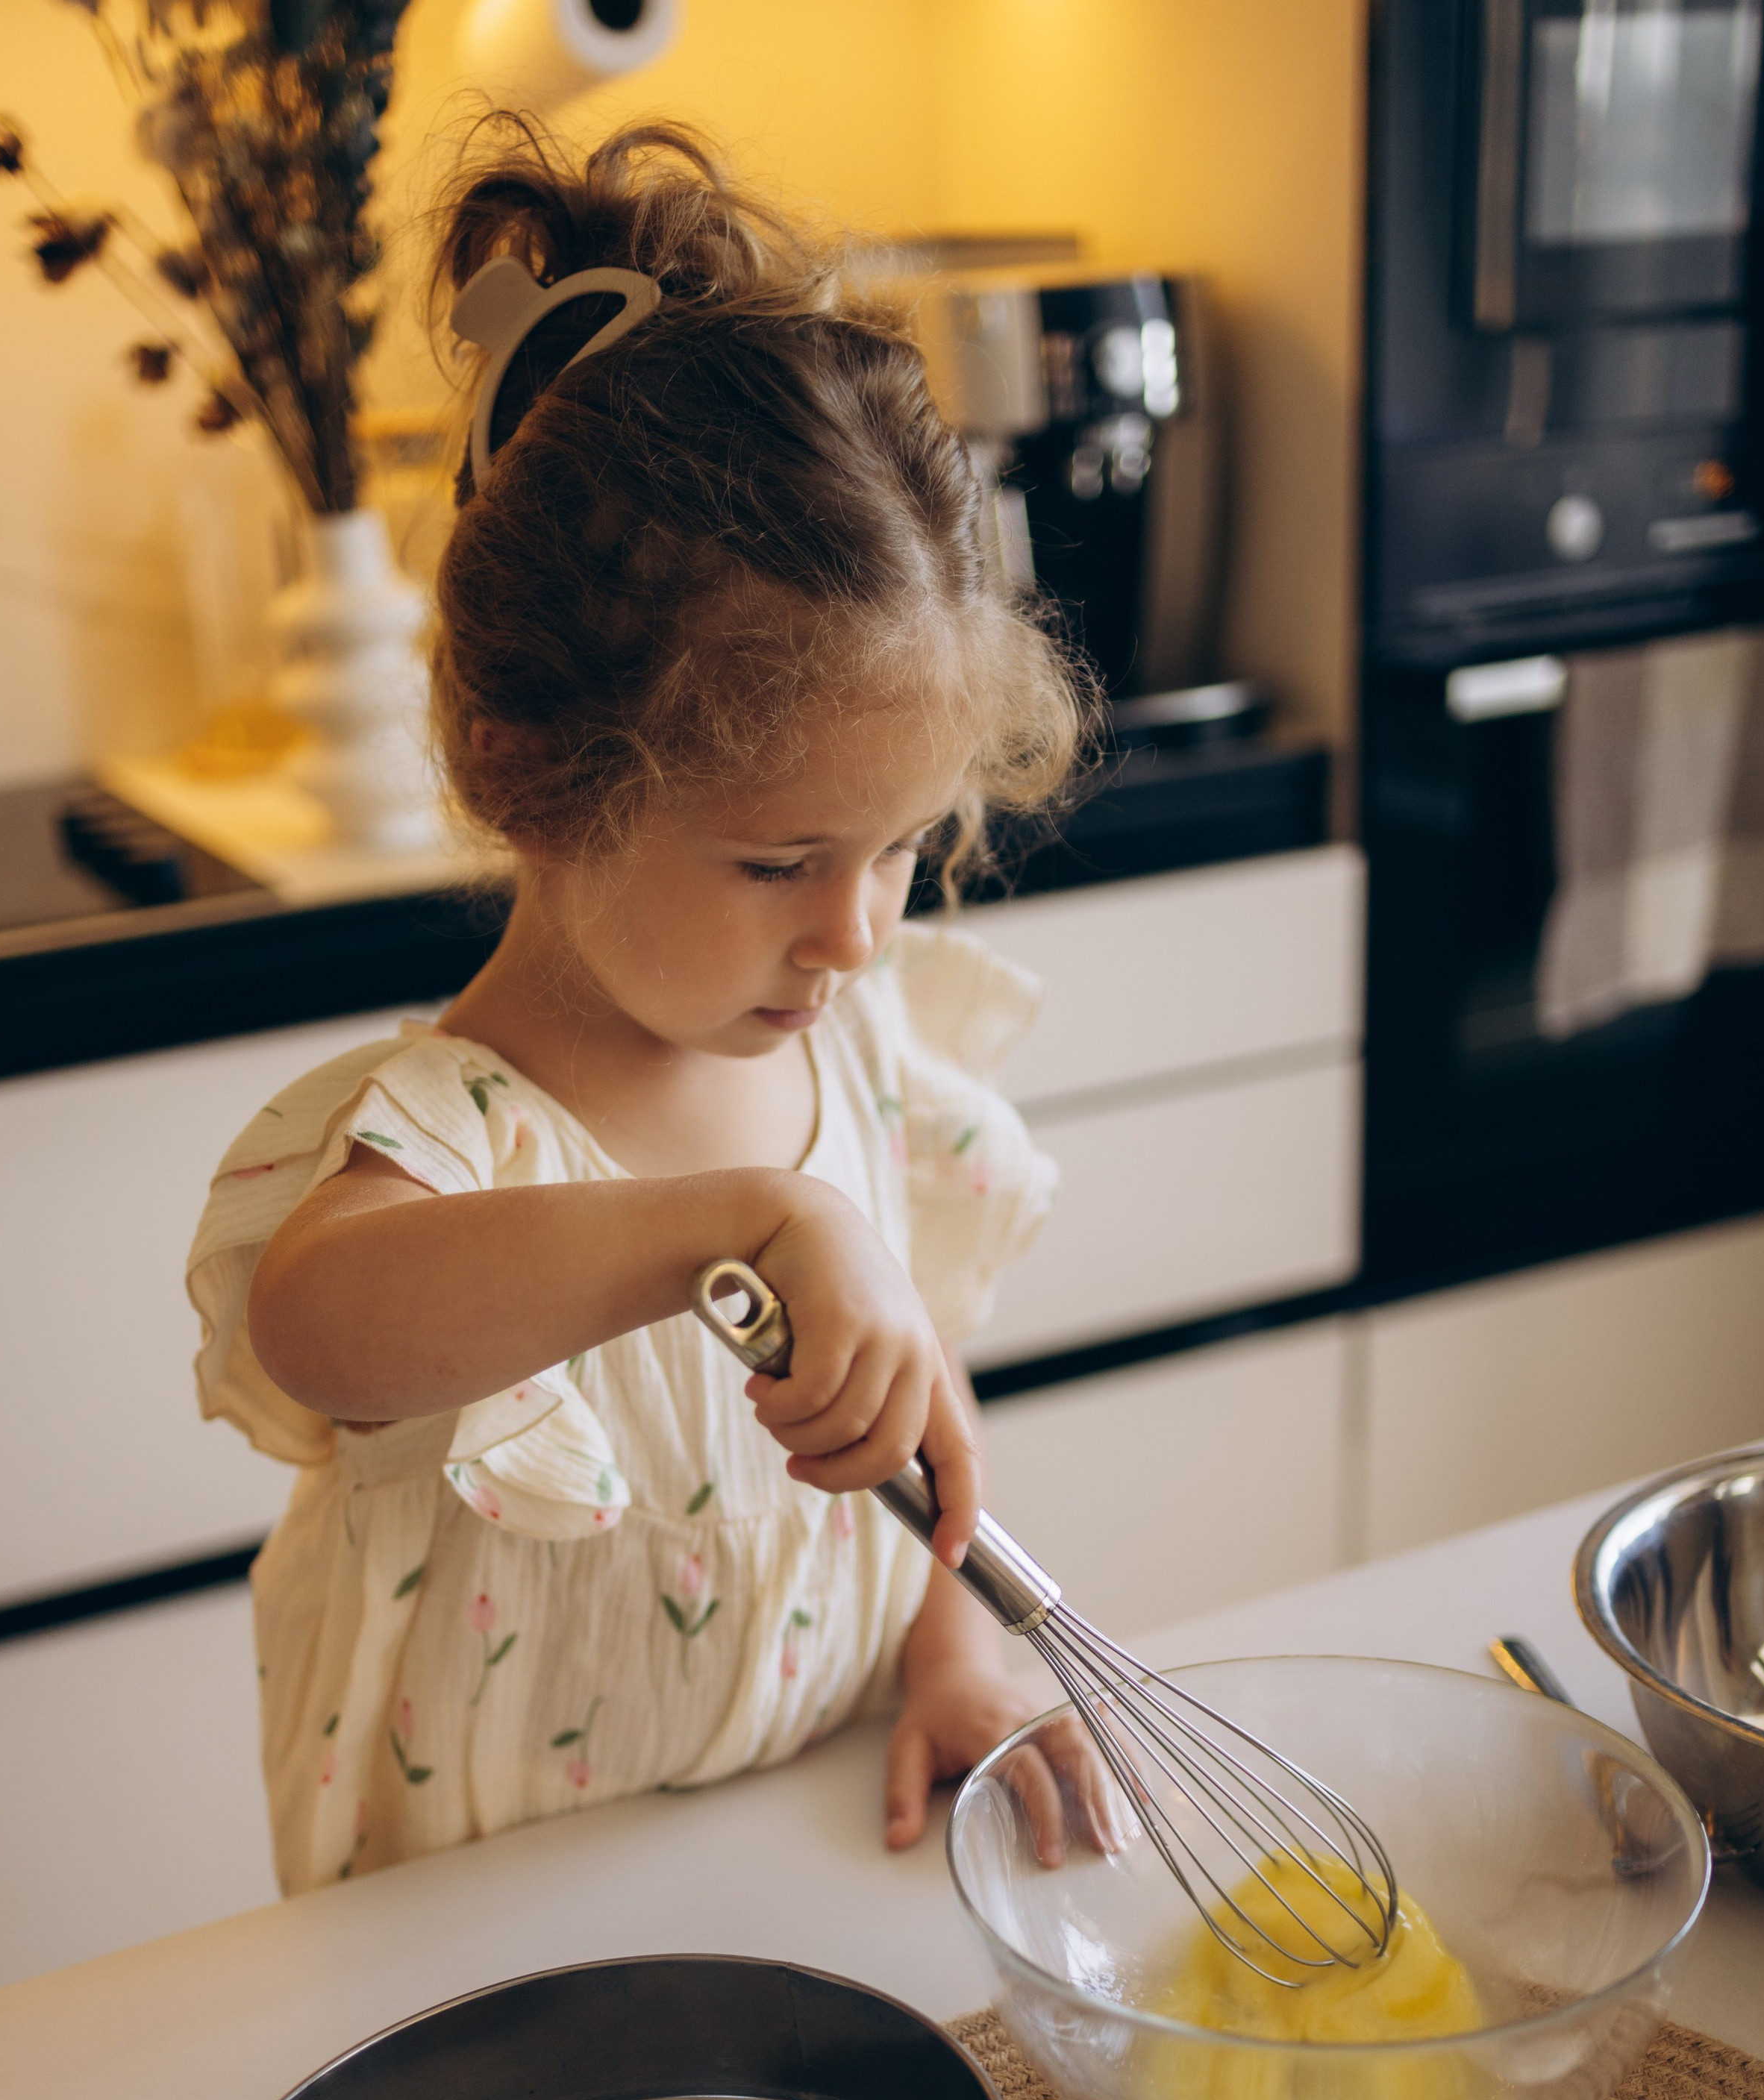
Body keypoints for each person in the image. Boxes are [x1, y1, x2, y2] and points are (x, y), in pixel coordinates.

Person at [187, 122, 1088, 1897]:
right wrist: (732, 1222)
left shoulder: (852, 1055)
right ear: (534, 778)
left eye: (900, 850)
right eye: (776, 864)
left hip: (809, 1836)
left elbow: (905, 1398)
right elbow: (316, 1329)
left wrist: (946, 1649)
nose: (853, 932)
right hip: (486, 1943)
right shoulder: (456, 1131)